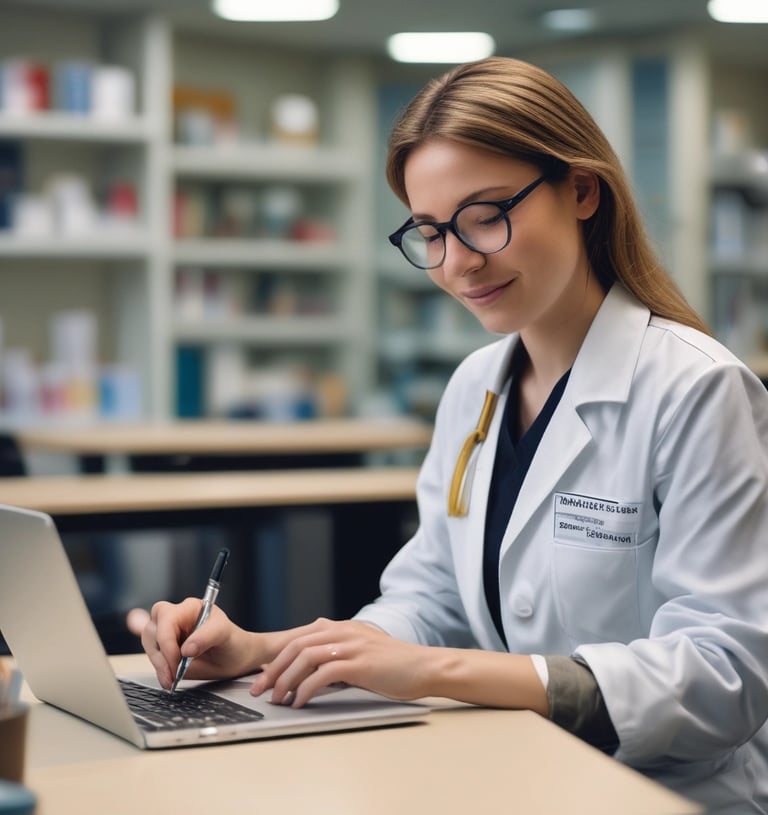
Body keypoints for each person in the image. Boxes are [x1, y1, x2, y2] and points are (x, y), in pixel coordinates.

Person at [140, 57, 768, 812]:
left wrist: (437, 673)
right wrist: (260, 651)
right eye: (431, 231)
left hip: (660, 793)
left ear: (581, 189)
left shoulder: (697, 389)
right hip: (504, 770)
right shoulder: (476, 387)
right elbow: (428, 599)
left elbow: (724, 674)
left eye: (486, 215)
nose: (459, 261)